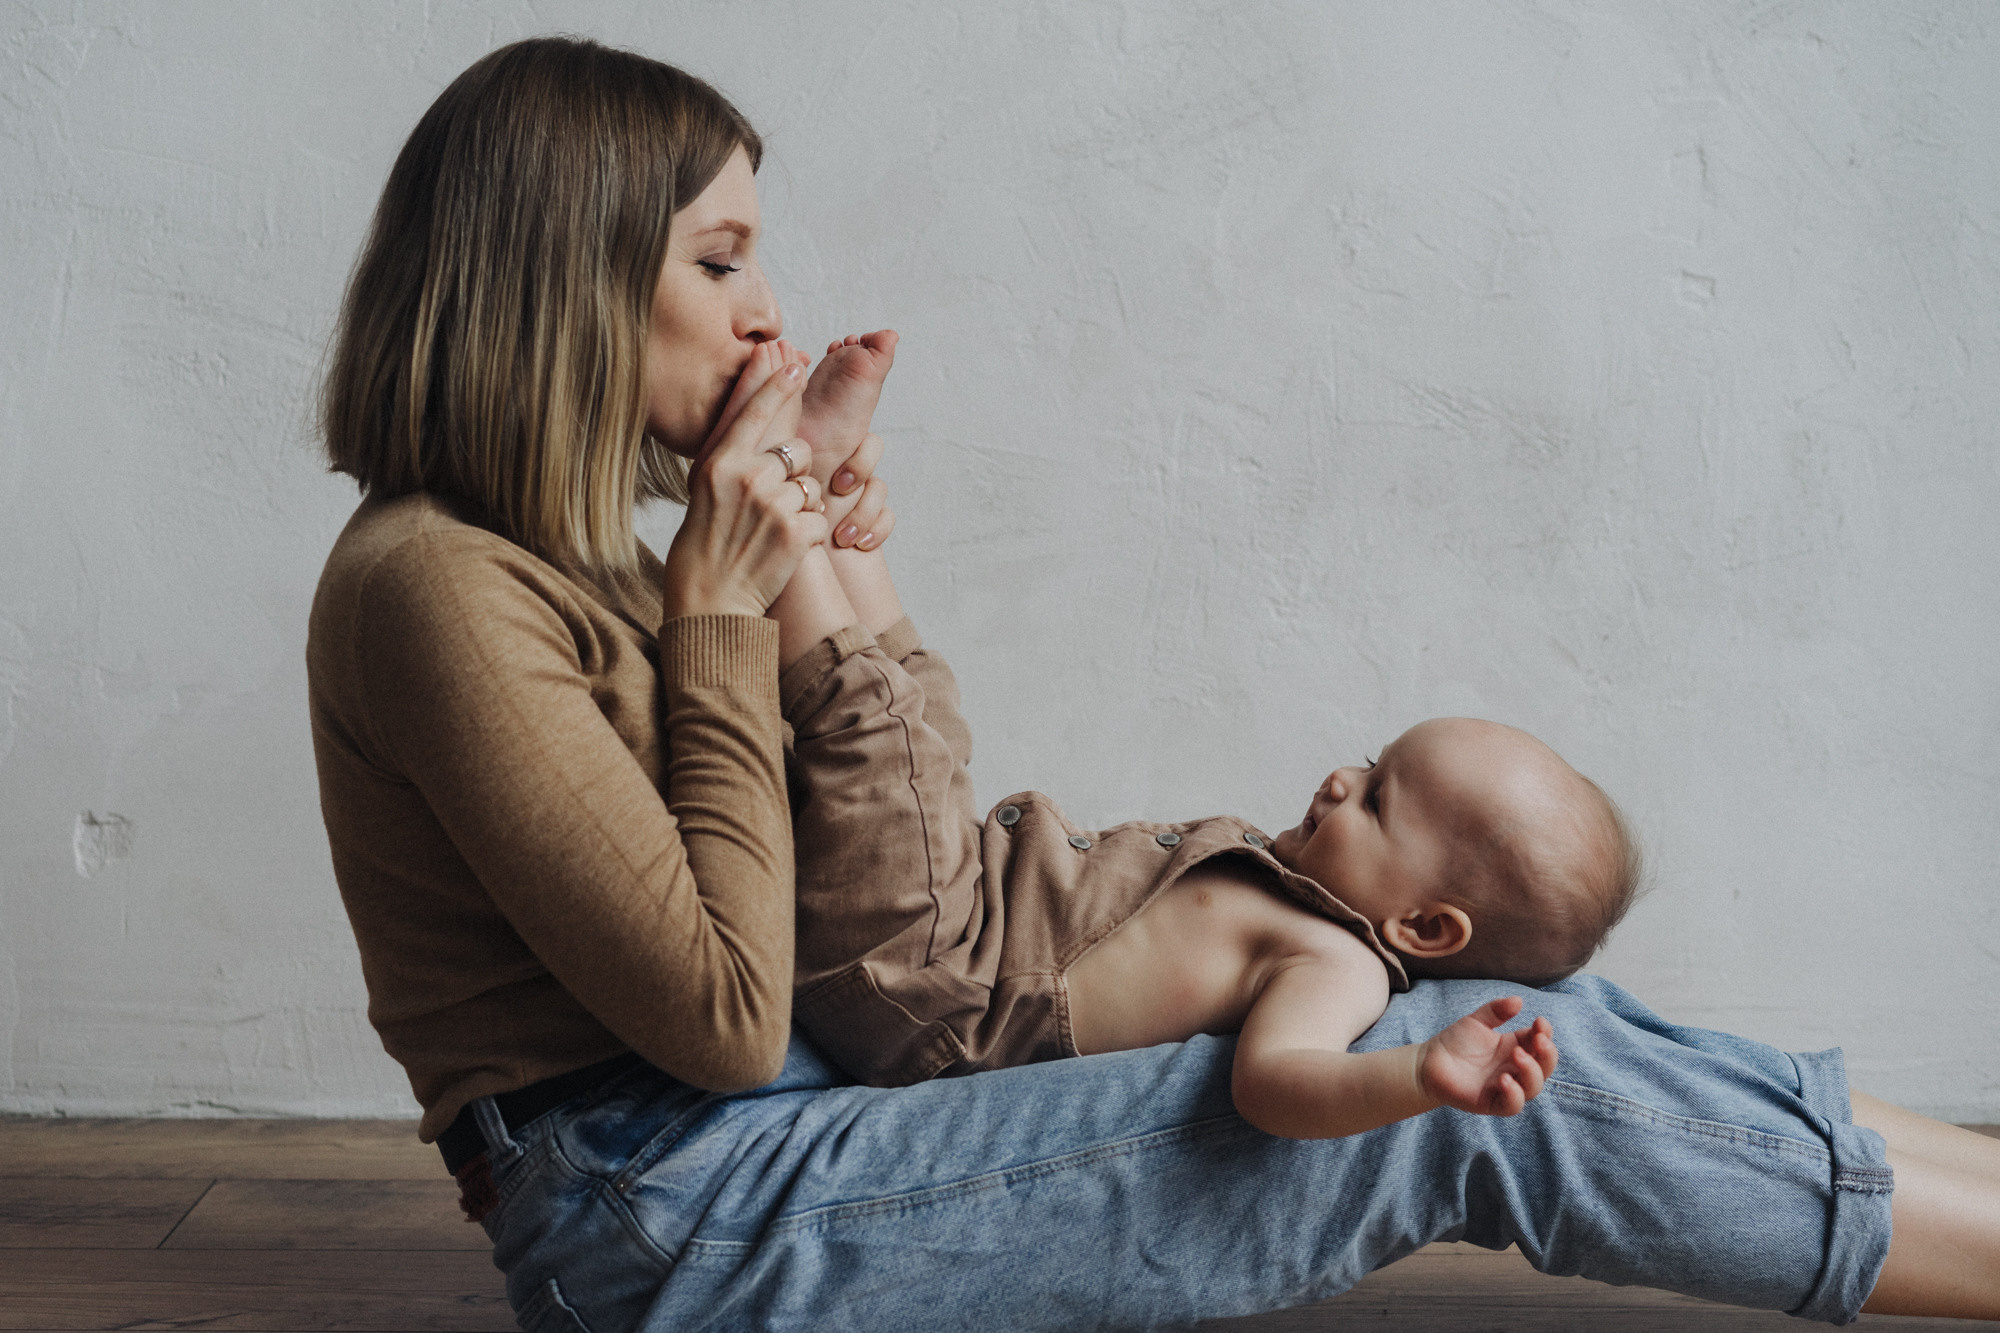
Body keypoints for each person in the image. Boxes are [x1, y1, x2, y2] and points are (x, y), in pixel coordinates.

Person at [307, 35, 2000, 1331]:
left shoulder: (570, 558)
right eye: (722, 259)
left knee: (1509, 1028)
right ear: (573, 282)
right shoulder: (431, 588)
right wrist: (724, 615)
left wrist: (791, 564)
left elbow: (827, 883)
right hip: (666, 1213)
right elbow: (728, 1020)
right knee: (1465, 1117)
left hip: (755, 1139)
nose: (768, 316)